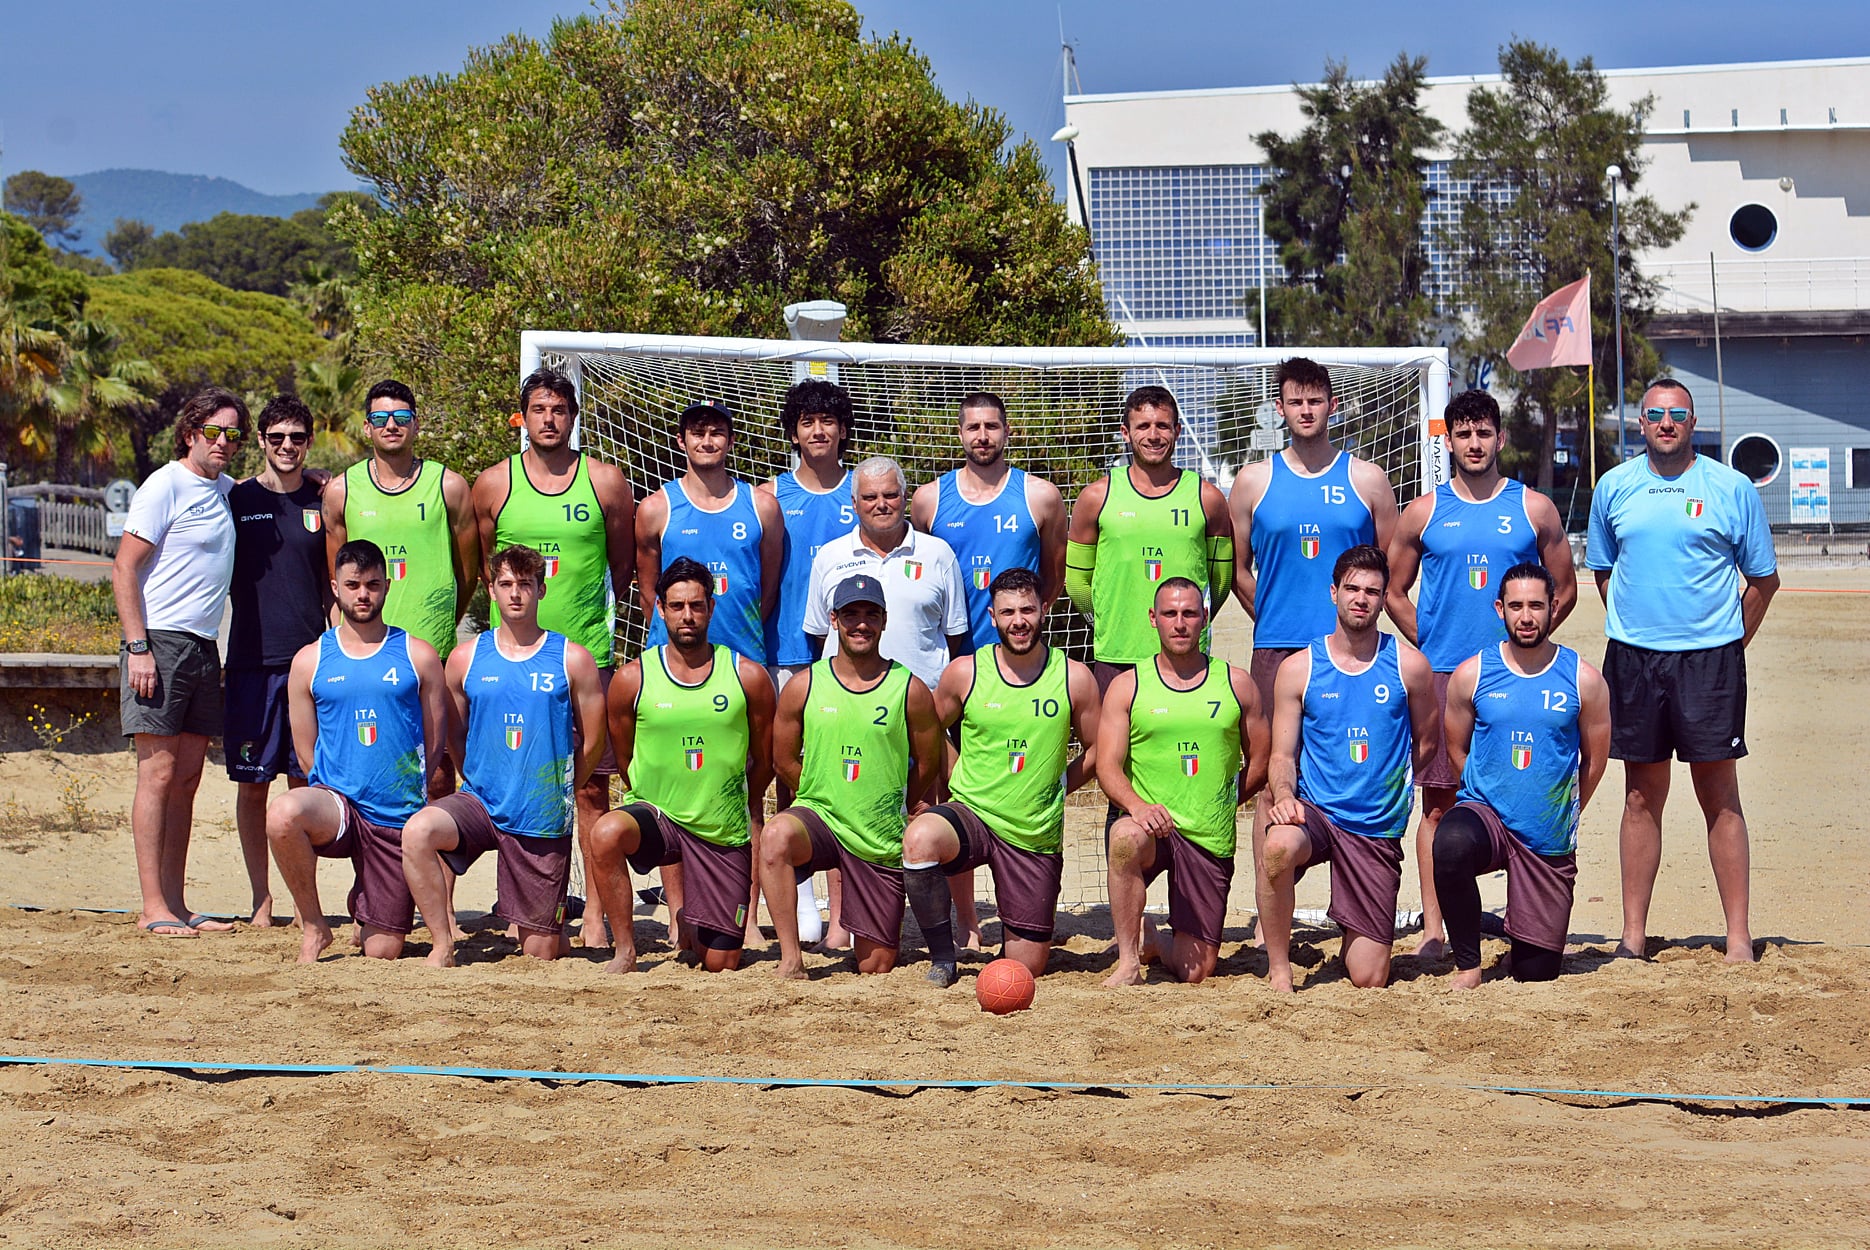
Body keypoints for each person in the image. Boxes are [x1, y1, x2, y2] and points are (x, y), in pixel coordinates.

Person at [1586, 378, 1778, 963]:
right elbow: (1603, 570)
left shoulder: (1731, 487)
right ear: (1639, 423)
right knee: (1641, 796)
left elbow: (1763, 580)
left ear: (1692, 423)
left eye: (1678, 414)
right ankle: (1632, 936)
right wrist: (1640, 628)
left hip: (1710, 664)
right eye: (1655, 414)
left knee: (1719, 795)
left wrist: (1726, 642)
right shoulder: (1613, 487)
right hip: (1635, 661)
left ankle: (1738, 937)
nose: (1666, 423)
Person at [1385, 388, 1575, 958]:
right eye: (1462, 434)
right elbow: (1393, 590)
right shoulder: (1422, 510)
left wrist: (1527, 654)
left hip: (1519, 684)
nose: (1474, 443)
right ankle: (1435, 929)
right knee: (1438, 805)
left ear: (1500, 438)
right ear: (1450, 441)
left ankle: (1525, 914)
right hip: (1447, 681)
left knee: (1526, 795)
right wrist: (1433, 641)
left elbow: (1563, 589)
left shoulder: (1533, 507)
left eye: (1483, 433)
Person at [472, 367, 636, 949]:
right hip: (514, 665)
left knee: (590, 789)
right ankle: (525, 905)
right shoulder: (493, 484)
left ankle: (595, 911)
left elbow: (621, 568)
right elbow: (482, 568)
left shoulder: (607, 482)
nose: (549, 418)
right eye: (538, 408)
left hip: (584, 660)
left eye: (559, 409)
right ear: (523, 417)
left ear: (573, 416)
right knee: (516, 785)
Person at [400, 544, 608, 967]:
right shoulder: (466, 657)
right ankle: (442, 943)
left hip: (540, 811)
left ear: (541, 590)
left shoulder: (573, 659)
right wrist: (472, 773)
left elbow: (592, 740)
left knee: (540, 953)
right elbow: (454, 733)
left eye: (525, 585)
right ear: (491, 590)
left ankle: (553, 931)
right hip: (481, 802)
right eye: (506, 584)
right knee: (418, 831)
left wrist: (560, 789)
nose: (516, 594)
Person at [902, 568, 1101, 986]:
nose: (1019, 620)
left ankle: (1018, 936)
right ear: (992, 616)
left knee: (1023, 968)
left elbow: (1100, 749)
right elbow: (929, 729)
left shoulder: (1074, 678)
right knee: (920, 840)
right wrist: (951, 770)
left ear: (1044, 611)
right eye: (1008, 611)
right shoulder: (965, 672)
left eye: (1027, 609)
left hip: (1033, 831)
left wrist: (1063, 782)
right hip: (972, 813)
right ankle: (943, 957)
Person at [803, 455, 970, 948]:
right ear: (853, 503)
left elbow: (955, 639)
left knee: (939, 810)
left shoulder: (939, 553)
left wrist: (930, 701)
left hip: (922, 713)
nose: (881, 504)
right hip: (853, 717)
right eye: (870, 496)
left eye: (891, 494)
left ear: (906, 498)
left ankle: (965, 922)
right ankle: (842, 921)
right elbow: (819, 638)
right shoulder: (830, 556)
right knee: (843, 811)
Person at [585, 557, 776, 973]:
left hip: (720, 830)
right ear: (660, 608)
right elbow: (625, 755)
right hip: (659, 817)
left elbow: (765, 759)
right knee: (606, 832)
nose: (686, 615)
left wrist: (731, 798)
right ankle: (625, 951)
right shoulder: (633, 679)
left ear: (710, 607)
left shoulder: (748, 676)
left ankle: (694, 918)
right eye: (676, 606)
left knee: (722, 963)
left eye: (696, 605)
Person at [1259, 545, 1437, 992]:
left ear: (1383, 600)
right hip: (1317, 813)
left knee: (1369, 977)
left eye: (1373, 592)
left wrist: (1391, 789)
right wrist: (1284, 797)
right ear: (1334, 592)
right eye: (1353, 588)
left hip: (1373, 827)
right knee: (1278, 844)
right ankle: (1279, 967)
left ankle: (1354, 930)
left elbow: (1427, 741)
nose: (1362, 598)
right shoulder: (1298, 668)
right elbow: (1281, 756)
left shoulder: (1410, 666)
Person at [265, 540, 448, 962]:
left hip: (394, 815)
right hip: (338, 807)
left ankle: (366, 897)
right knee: (282, 814)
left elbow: (434, 740)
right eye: (352, 585)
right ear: (335, 587)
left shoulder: (417, 655)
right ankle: (314, 925)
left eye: (371, 584)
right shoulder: (310, 660)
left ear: (387, 585)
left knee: (382, 951)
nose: (362, 594)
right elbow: (305, 749)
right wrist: (337, 786)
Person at [111, 386, 249, 938]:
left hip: (201, 646)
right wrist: (138, 647)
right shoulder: (164, 484)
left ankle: (176, 901)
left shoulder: (223, 489)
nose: (222, 442)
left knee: (188, 777)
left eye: (233, 434)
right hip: (159, 642)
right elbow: (124, 569)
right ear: (190, 431)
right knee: (159, 772)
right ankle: (152, 907)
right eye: (213, 431)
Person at [1435, 563, 1611, 987]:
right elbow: (1457, 749)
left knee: (1535, 973)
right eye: (1516, 606)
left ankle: (1512, 927)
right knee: (1451, 842)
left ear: (1554, 607)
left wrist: (1560, 811)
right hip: (1487, 817)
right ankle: (1468, 965)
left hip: (1545, 834)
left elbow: (1595, 759)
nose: (1526, 616)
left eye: (1536, 605)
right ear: (1500, 609)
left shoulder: (1583, 679)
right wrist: (1488, 793)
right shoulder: (1471, 675)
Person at [758, 575, 942, 978]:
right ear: (834, 619)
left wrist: (902, 801)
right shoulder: (805, 685)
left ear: (884, 620)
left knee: (875, 966)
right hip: (820, 817)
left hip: (876, 834)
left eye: (871, 614)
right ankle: (791, 959)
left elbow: (929, 761)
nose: (861, 624)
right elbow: (782, 759)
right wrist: (821, 790)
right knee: (775, 835)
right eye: (851, 614)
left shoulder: (908, 688)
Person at [1098, 578, 1268, 987]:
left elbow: (1260, 760)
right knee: (1123, 837)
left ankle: (1155, 940)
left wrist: (1223, 802)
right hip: (1151, 827)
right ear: (1153, 619)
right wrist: (1139, 808)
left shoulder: (1237, 683)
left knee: (1197, 971)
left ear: (1204, 618)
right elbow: (1107, 767)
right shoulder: (1128, 686)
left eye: (1189, 613)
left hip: (1207, 836)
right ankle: (1128, 962)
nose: (1180, 623)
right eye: (1170, 614)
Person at [223, 394, 332, 928]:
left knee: (303, 785)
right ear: (261, 442)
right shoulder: (236, 499)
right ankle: (260, 900)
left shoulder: (324, 498)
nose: (287, 446)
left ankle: (301, 903)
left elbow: (340, 583)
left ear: (308, 441)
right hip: (249, 662)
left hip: (308, 668)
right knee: (252, 785)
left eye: (297, 437)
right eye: (276, 438)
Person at [757, 378, 855, 944]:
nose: (818, 431)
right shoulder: (770, 495)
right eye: (807, 422)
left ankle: (844, 913)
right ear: (793, 432)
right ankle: (799, 903)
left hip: (846, 659)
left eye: (828, 421)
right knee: (786, 777)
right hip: (785, 652)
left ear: (842, 430)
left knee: (842, 775)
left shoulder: (864, 491)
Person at [1065, 386, 1233, 694]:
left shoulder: (1207, 498)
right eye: (1143, 426)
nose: (1153, 435)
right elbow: (1076, 583)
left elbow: (1220, 584)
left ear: (1178, 431)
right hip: (1117, 655)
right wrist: (1104, 622)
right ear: (1125, 433)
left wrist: (1193, 626)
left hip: (1187, 659)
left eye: (1162, 425)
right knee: (1116, 744)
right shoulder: (1096, 497)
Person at [322, 379, 478, 660]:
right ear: (367, 428)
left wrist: (441, 621)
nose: (391, 425)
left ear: (416, 425)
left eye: (402, 418)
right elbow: (336, 577)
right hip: (365, 651)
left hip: (432, 651)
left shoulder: (449, 487)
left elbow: (467, 575)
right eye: (380, 418)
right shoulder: (340, 492)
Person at [910, 391, 1068, 645]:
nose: (982, 436)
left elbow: (1055, 577)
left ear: (1006, 431)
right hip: (952, 655)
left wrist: (1025, 623)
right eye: (973, 427)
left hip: (1018, 655)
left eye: (991, 426)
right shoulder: (928, 500)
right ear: (960, 433)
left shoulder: (1041, 496)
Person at [637, 399, 783, 667]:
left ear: (731, 441)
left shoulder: (763, 507)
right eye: (697, 433)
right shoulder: (655, 508)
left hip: (742, 657)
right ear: (681, 440)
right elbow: (648, 592)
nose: (707, 441)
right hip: (671, 661)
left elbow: (769, 589)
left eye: (716, 432)